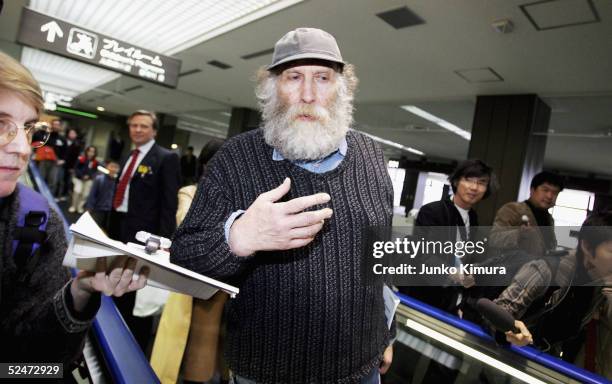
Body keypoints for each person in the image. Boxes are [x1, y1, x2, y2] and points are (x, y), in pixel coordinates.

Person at [171, 28, 394, 383]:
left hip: (362, 369)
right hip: (267, 373)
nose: (308, 94)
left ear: (343, 88)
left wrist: (386, 332)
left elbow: (379, 255)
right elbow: (185, 254)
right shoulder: (235, 158)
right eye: (294, 78)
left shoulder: (371, 155)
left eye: (322, 78)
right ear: (272, 88)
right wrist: (239, 237)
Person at [0, 50, 148, 365]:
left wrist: (79, 292)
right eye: (1, 124)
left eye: (28, 128)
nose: (23, 147)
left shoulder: (35, 222)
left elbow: (42, 362)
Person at [495, 211, 612, 379]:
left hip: (546, 364)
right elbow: (499, 310)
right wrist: (512, 328)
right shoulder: (548, 269)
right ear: (587, 247)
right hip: (508, 360)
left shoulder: (601, 283)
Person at [151, 138, 230, 384]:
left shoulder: (239, 197)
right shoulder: (190, 192)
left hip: (226, 283)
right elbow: (186, 225)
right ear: (204, 165)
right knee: (190, 346)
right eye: (212, 163)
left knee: (220, 346)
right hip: (193, 280)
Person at [109, 109, 180, 353]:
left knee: (139, 295)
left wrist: (163, 241)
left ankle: (132, 351)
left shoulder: (165, 158)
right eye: (134, 125)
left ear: (154, 131)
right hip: (121, 229)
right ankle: (113, 340)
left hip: (145, 238)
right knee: (119, 288)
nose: (138, 129)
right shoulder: (130, 155)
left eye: (144, 126)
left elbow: (169, 203)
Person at [408, 159, 496, 314]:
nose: (474, 187)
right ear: (456, 181)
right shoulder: (433, 211)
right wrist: (452, 273)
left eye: (482, 183)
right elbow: (422, 255)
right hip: (422, 297)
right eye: (469, 180)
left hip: (449, 301)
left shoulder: (473, 218)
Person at [489, 171, 564, 257]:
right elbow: (494, 239)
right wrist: (519, 234)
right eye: (545, 190)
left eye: (555, 193)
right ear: (532, 190)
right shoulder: (513, 209)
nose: (549, 196)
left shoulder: (550, 219)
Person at [85, 159, 120, 226]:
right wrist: (89, 207)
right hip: (98, 209)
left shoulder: (117, 182)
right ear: (107, 166)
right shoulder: (99, 179)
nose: (113, 169)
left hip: (110, 211)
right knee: (94, 226)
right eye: (112, 166)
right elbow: (92, 194)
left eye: (116, 167)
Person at [69, 145, 98, 214]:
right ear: (87, 151)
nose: (91, 153)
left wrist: (89, 176)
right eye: (89, 151)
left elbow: (94, 172)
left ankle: (80, 207)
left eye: (93, 152)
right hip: (79, 178)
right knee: (77, 191)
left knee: (85, 194)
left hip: (88, 180)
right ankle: (73, 206)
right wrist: (82, 176)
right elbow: (76, 169)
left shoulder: (95, 162)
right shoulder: (81, 159)